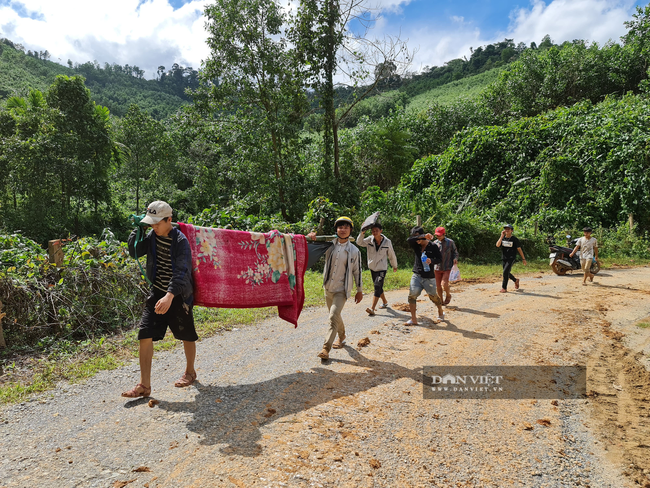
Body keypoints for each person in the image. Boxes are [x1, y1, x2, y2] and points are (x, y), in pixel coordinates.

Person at [122, 201, 197, 398]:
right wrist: (137, 230)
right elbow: (135, 252)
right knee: (144, 335)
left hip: (178, 295)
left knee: (186, 334)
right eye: (150, 223)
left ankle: (190, 372)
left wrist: (169, 296)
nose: (153, 227)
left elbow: (182, 272)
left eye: (157, 223)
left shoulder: (181, 242)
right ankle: (144, 386)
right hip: (157, 293)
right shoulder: (151, 236)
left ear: (169, 220)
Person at [308, 217, 363, 360]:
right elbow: (312, 243)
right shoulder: (329, 245)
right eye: (340, 227)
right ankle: (342, 335)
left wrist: (359, 290)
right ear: (336, 230)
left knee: (333, 317)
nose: (343, 230)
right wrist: (311, 237)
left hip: (341, 290)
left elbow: (357, 271)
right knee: (335, 315)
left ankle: (325, 349)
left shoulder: (354, 251)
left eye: (346, 227)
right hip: (328, 288)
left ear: (350, 230)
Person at [406, 226, 445, 325]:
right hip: (417, 275)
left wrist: (431, 261)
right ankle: (413, 319)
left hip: (429, 277)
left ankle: (440, 310)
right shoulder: (416, 245)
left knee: (433, 296)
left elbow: (439, 259)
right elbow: (408, 240)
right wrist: (422, 236)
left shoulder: (433, 246)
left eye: (417, 237)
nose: (416, 240)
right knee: (412, 295)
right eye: (415, 237)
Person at [356, 222, 398, 316]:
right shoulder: (369, 240)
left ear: (381, 231)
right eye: (373, 231)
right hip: (372, 267)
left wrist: (394, 265)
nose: (375, 232)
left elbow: (391, 254)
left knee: (377, 286)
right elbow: (359, 242)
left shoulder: (387, 242)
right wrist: (362, 232)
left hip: (382, 268)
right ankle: (385, 302)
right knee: (378, 286)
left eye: (376, 231)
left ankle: (372, 308)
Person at [496, 224, 527, 293]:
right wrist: (501, 236)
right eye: (505, 229)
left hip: (511, 258)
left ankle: (504, 288)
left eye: (508, 229)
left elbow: (519, 249)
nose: (506, 230)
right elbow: (497, 245)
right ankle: (515, 280)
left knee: (505, 272)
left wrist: (523, 259)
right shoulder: (503, 238)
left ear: (511, 230)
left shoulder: (514, 239)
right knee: (506, 272)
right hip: (504, 257)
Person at [432, 226, 459, 305]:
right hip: (437, 267)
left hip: (447, 266)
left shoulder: (450, 242)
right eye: (437, 235)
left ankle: (448, 295)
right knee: (438, 286)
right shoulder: (434, 243)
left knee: (444, 284)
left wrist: (455, 258)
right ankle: (441, 300)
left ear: (444, 234)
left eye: (439, 235)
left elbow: (455, 252)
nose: (438, 237)